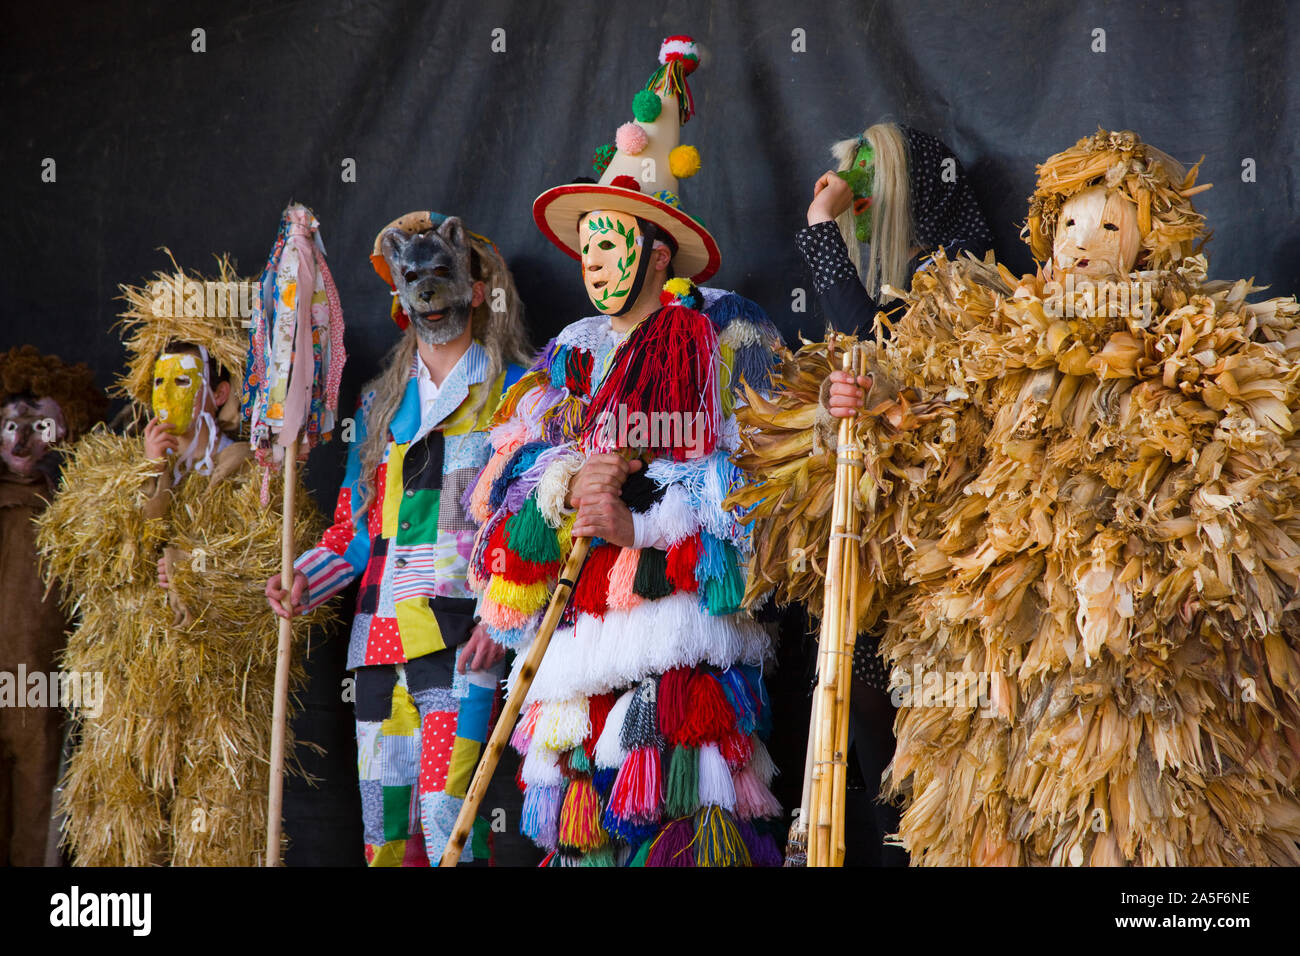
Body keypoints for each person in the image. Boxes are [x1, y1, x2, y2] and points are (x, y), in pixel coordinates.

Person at [468, 35, 786, 867]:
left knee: (677, 817)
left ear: (654, 246)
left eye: (612, 245)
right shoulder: (568, 350)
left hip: (680, 634)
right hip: (578, 638)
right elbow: (503, 480)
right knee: (587, 827)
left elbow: (768, 479)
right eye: (587, 247)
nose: (594, 262)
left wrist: (641, 516)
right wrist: (566, 483)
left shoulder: (725, 326)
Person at [36, 253, 331, 866]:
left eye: (184, 382)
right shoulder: (111, 467)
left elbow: (267, 572)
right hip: (132, 698)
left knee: (214, 831)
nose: (167, 398)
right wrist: (153, 477)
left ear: (217, 392)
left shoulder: (255, 476)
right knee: (124, 834)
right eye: (158, 384)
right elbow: (93, 559)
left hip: (219, 699)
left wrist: (196, 572)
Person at [267, 212, 534, 866]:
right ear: (399, 296)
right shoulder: (380, 411)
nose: (428, 293)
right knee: (386, 840)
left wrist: (503, 619)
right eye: (413, 279)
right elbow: (354, 534)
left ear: (476, 289)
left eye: (444, 275)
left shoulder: (517, 393)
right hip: (379, 644)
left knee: (451, 829)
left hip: (461, 640)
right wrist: (305, 578)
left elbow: (534, 523)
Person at [0, 346, 105, 866]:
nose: (22, 438)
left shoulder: (68, 510)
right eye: (13, 424)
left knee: (38, 808)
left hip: (39, 687)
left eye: (40, 427)